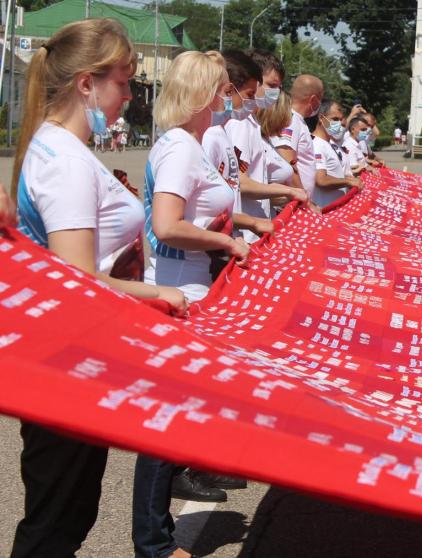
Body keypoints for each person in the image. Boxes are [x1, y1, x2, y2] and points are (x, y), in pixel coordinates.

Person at [8, 18, 186, 558]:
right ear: (86, 83)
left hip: (66, 354)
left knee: (62, 512)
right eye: (124, 82)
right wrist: (159, 295)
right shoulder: (64, 161)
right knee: (56, 523)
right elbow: (77, 277)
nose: (130, 96)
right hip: (66, 360)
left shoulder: (57, 147)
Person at [138, 50, 252, 558]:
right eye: (224, 89)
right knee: (166, 423)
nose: (226, 98)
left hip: (187, 287)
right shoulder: (183, 148)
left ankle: (155, 539)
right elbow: (167, 224)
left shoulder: (183, 143)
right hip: (182, 293)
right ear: (207, 94)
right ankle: (155, 544)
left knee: (175, 417)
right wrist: (226, 243)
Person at [223, 50, 307, 243]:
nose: (275, 93)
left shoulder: (251, 123)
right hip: (245, 235)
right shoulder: (240, 123)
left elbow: (256, 179)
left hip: (253, 231)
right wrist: (289, 192)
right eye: (271, 85)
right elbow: (240, 182)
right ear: (254, 80)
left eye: (278, 87)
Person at [271, 73, 322, 200]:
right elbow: (287, 160)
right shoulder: (291, 120)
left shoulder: (298, 121)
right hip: (294, 203)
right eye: (321, 98)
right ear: (314, 99)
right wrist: (304, 200)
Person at [312, 100, 363, 207]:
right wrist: (347, 182)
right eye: (335, 119)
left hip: (336, 208)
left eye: (340, 119)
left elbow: (336, 173)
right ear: (321, 118)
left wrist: (350, 179)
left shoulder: (330, 143)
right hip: (324, 209)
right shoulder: (316, 144)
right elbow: (321, 180)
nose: (339, 123)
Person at [257, 92, 298, 199]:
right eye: (289, 113)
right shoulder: (257, 141)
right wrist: (291, 193)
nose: (290, 119)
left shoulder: (268, 141)